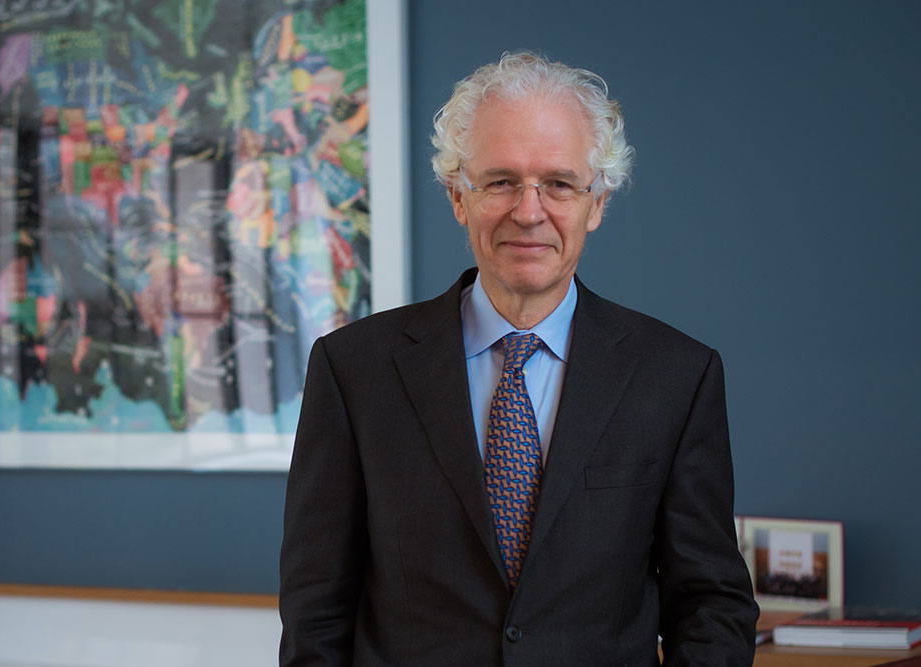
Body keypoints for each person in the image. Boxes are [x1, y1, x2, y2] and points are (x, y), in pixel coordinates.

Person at [279, 51, 758, 666]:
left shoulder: (675, 377)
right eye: (500, 181)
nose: (528, 212)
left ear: (597, 202)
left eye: (558, 184)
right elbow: (316, 610)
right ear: (459, 195)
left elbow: (712, 604)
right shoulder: (354, 371)